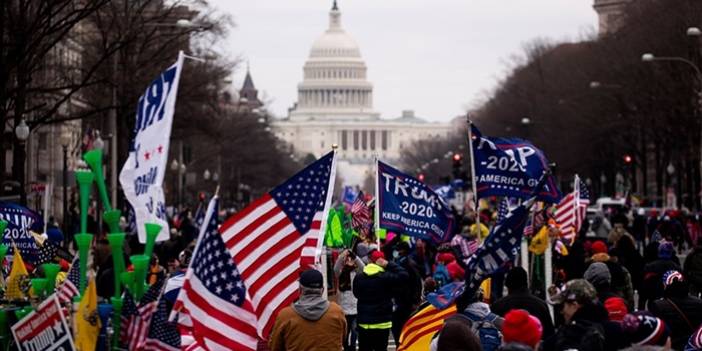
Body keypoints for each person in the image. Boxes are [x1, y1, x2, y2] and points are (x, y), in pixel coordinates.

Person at [269, 269, 347, 351]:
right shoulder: (337, 312)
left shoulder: (285, 316)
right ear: (322, 290)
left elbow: (274, 346)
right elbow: (342, 338)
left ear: (300, 290)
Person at [543, 279, 628, 351]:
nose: (561, 312)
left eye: (562, 306)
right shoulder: (620, 332)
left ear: (574, 305)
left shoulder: (564, 337)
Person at [353, 250, 408, 351]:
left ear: (369, 261)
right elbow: (404, 275)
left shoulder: (359, 277)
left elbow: (356, 294)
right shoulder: (386, 277)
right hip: (382, 323)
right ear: (382, 261)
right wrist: (389, 264)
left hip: (364, 323)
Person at [491, 267, 555, 339]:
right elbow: (550, 336)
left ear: (507, 284)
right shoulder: (541, 305)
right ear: (526, 283)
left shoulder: (498, 306)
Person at [649, 270, 702, 350]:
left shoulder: (658, 305)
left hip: (670, 346)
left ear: (665, 285)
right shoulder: (698, 302)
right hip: (693, 345)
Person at [391, 241, 423, 345]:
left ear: (402, 251)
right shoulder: (398, 263)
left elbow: (417, 283)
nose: (395, 251)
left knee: (402, 328)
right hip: (399, 302)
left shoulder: (409, 264)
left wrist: (415, 301)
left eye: (397, 249)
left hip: (406, 302)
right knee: (397, 328)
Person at [334, 249, 365, 351]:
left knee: (355, 331)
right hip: (344, 308)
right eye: (348, 260)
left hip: (355, 307)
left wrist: (355, 256)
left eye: (351, 260)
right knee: (345, 332)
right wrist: (342, 256)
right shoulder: (341, 272)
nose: (349, 261)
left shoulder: (357, 273)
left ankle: (352, 348)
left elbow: (363, 267)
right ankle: (346, 347)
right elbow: (335, 268)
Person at [640, 241, 681, 309]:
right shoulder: (676, 267)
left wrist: (641, 306)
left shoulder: (650, 267)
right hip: (671, 302)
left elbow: (644, 288)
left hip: (654, 300)